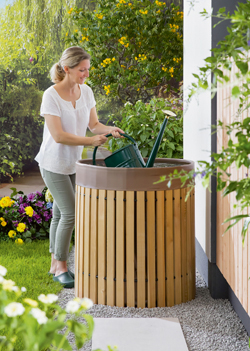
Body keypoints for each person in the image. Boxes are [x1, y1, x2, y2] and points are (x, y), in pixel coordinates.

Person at [35, 46, 124, 288]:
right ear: (67, 69)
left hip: (73, 163)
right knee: (71, 213)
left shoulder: (86, 92)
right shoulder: (51, 95)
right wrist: (90, 141)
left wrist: (110, 130)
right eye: (81, 70)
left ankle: (54, 264)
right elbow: (59, 136)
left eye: (87, 69)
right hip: (53, 163)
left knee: (59, 214)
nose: (86, 74)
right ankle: (62, 266)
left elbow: (94, 124)